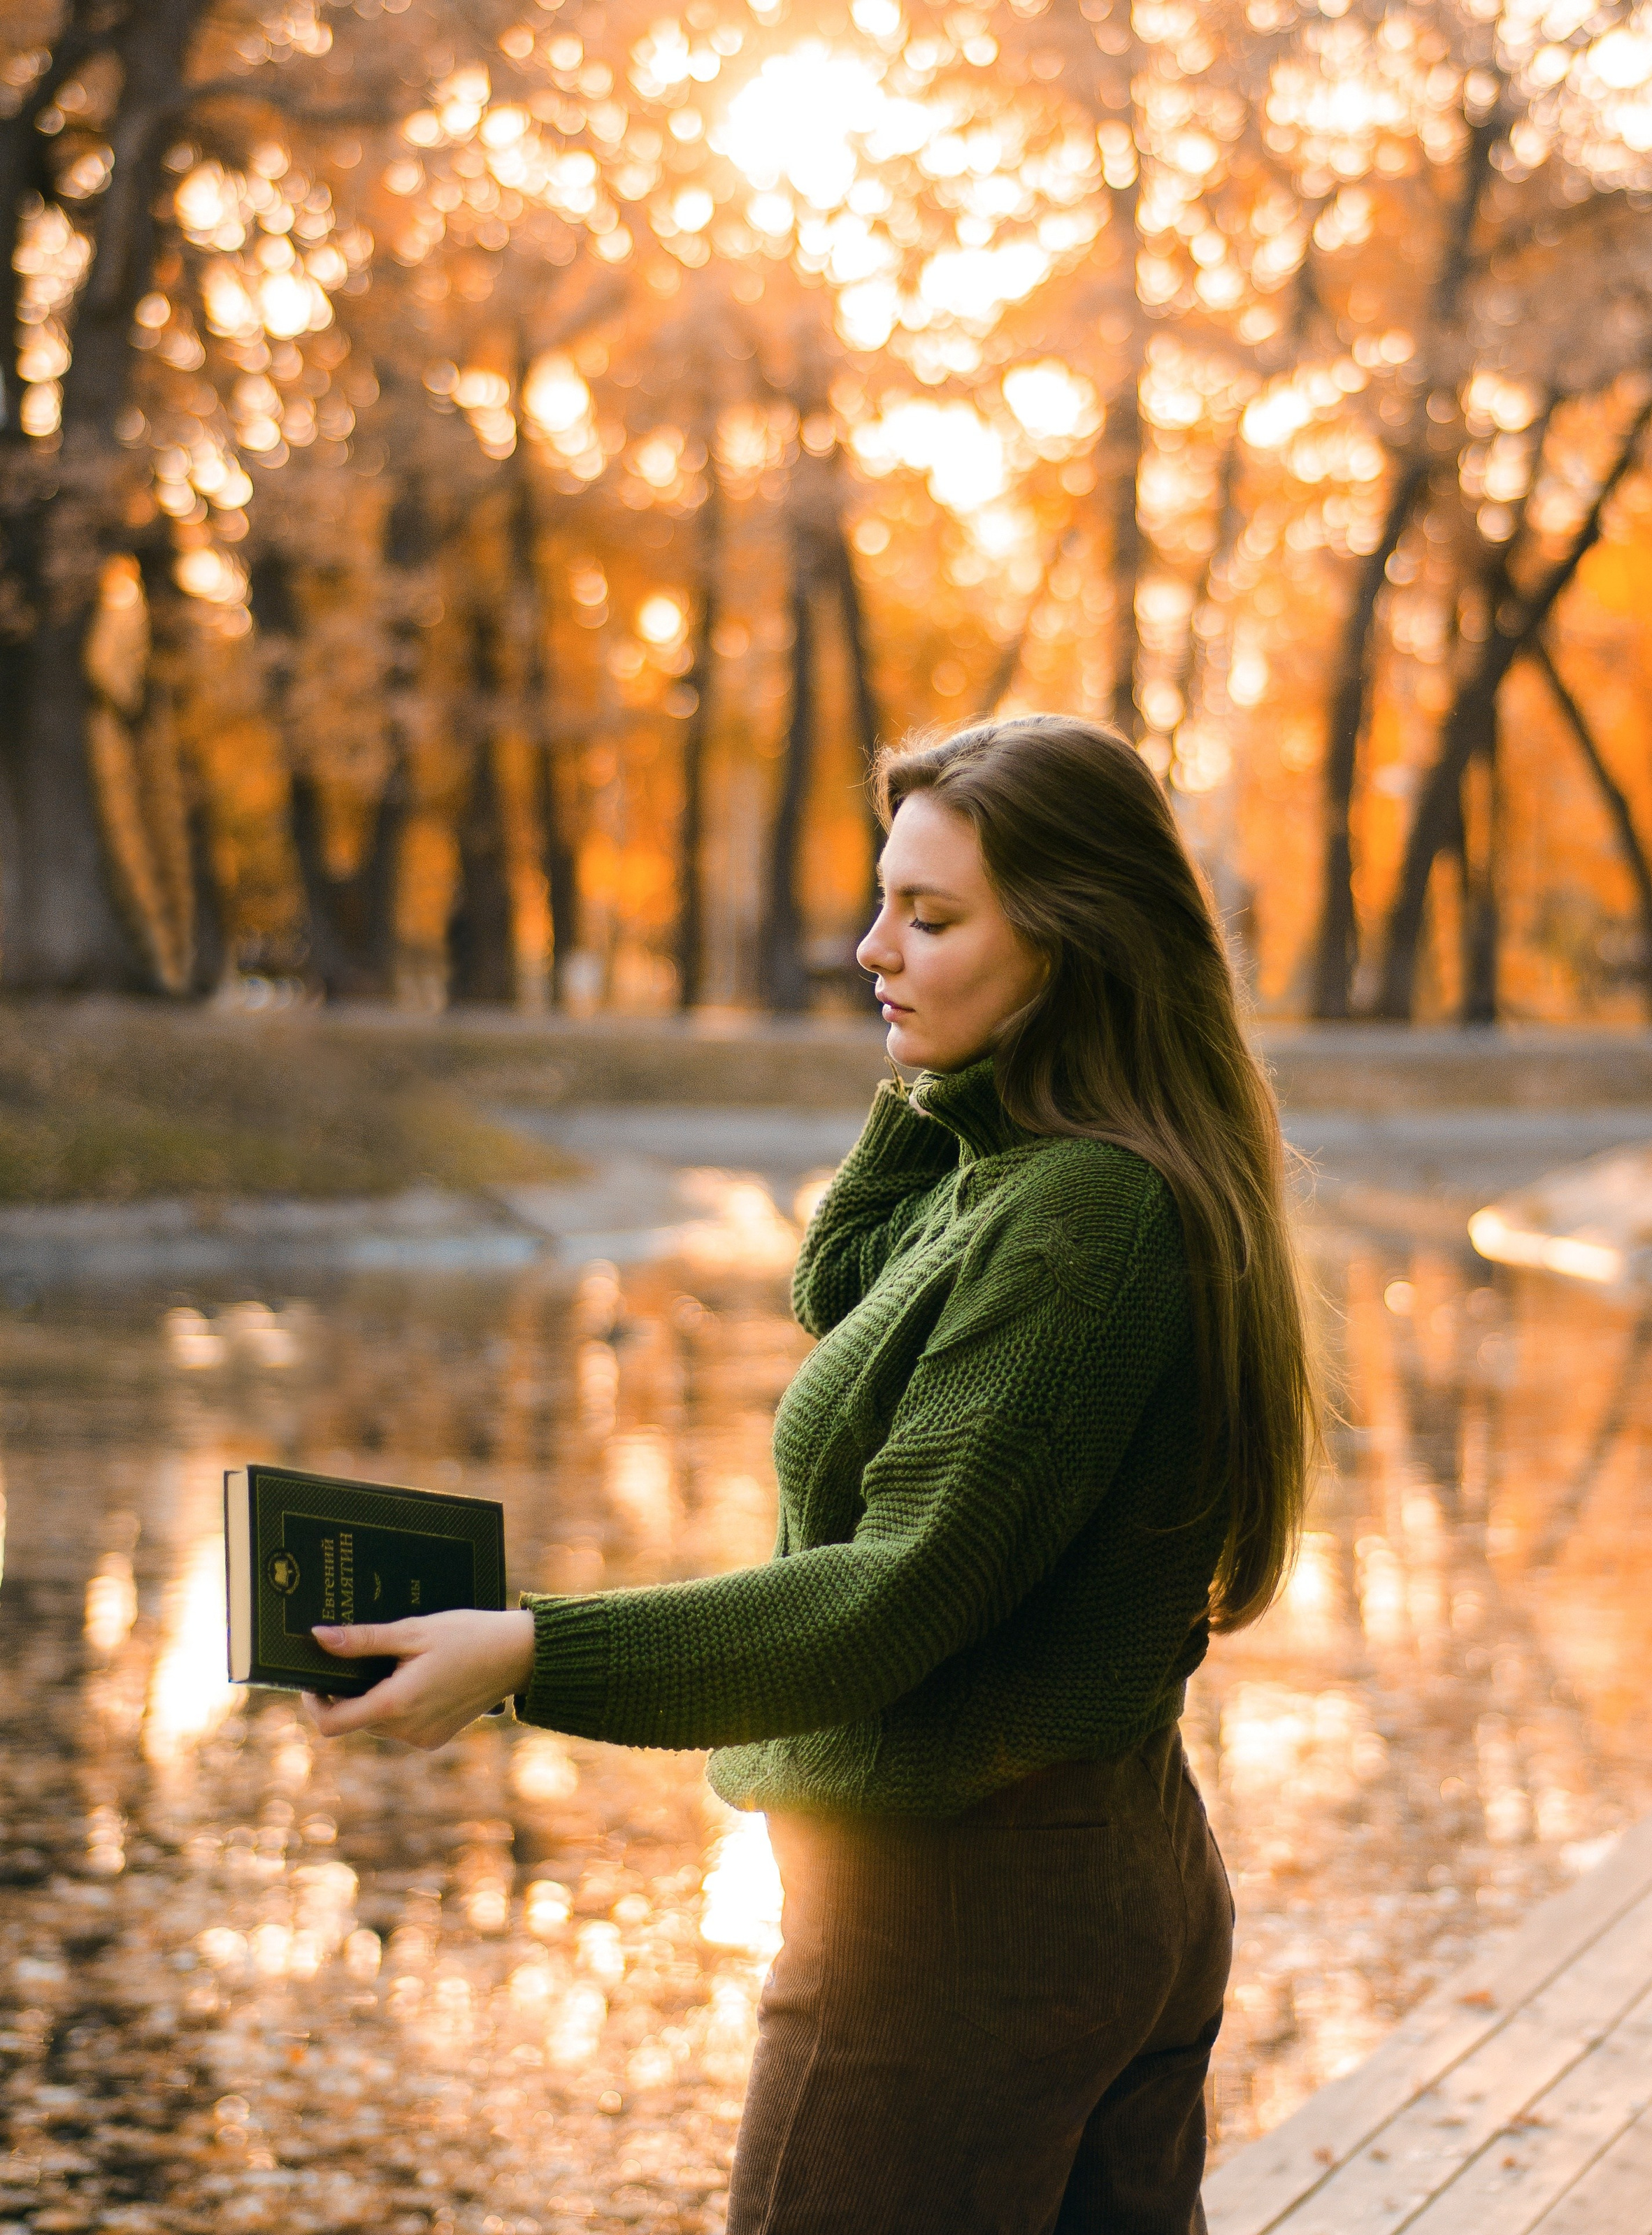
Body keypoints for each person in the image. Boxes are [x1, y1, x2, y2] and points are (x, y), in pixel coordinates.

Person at [306, 713, 1317, 2234]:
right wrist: (933, 1059)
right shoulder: (1043, 1170)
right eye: (880, 902)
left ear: (1077, 943)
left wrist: (529, 1651)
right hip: (1092, 1877)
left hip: (953, 1925)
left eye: (930, 915)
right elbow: (842, 1276)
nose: (867, 949)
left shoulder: (1075, 1219)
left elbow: (884, 1602)